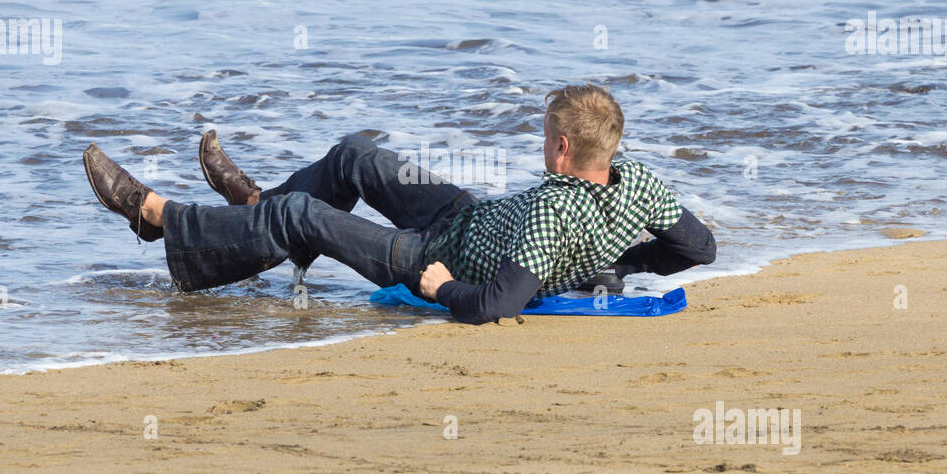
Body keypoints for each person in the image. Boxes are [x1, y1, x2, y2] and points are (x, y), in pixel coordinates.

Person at [82, 83, 716, 324]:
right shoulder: (640, 185)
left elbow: (495, 306)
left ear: (561, 146)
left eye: (543, 134)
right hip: (465, 215)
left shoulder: (554, 214)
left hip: (429, 256)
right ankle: (253, 201)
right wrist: (619, 264)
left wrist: (440, 289)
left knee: (302, 219)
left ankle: (153, 215)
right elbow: (699, 247)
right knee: (355, 155)